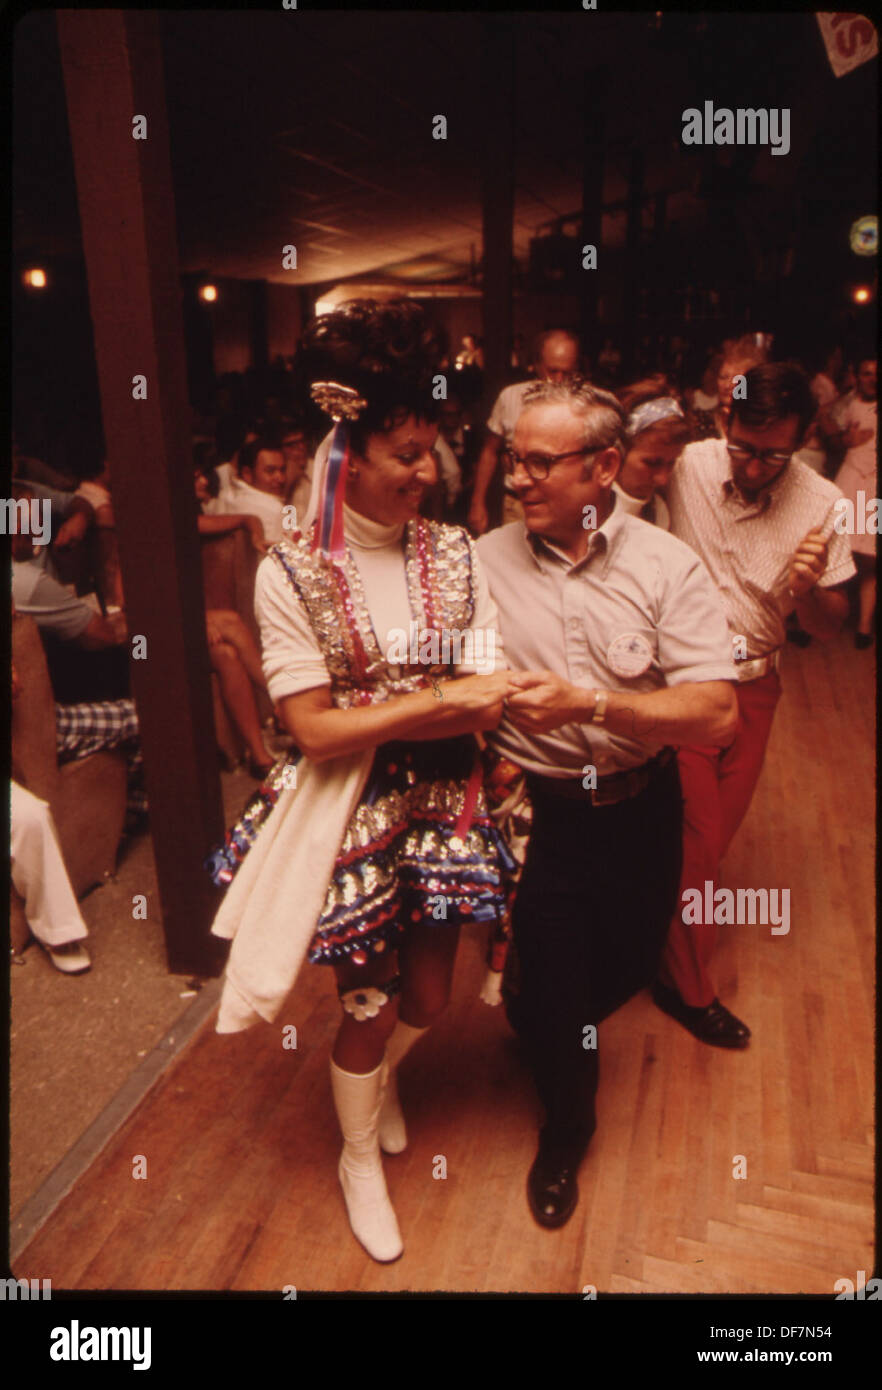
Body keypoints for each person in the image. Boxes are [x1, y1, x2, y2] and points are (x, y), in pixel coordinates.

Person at [206, 299, 516, 1264]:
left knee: (427, 1001)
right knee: (368, 1005)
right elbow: (312, 729)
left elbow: (485, 675)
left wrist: (479, 709)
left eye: (435, 450)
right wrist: (439, 705)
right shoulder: (290, 573)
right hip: (350, 816)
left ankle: (375, 1087)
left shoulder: (455, 552)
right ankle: (355, 1158)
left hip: (440, 806)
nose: (432, 472)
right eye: (410, 454)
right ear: (348, 456)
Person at [477, 378, 738, 1229]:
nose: (519, 479)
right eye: (515, 460)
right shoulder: (480, 563)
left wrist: (591, 707)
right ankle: (566, 1133)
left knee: (622, 969)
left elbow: (715, 710)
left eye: (540, 463)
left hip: (641, 807)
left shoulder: (666, 565)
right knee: (560, 993)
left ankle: (541, 1001)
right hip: (545, 819)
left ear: (605, 468)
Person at [658, 362, 855, 1045]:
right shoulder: (687, 465)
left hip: (759, 688)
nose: (751, 467)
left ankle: (654, 951)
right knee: (697, 846)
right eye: (743, 446)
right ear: (723, 423)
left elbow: (832, 624)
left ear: (803, 440)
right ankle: (691, 990)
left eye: (772, 454)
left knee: (712, 843)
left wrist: (807, 592)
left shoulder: (825, 501)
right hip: (681, 684)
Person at [467, 329, 580, 536]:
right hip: (517, 505)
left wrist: (590, 521)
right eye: (552, 371)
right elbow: (490, 451)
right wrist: (477, 503)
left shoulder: (586, 407)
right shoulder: (510, 397)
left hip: (565, 508)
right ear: (536, 365)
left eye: (568, 373)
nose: (559, 380)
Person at [829, 358, 877, 647]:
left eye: (876, 375)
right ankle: (825, 622)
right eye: (867, 373)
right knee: (837, 549)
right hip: (848, 480)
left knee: (870, 559)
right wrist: (846, 437)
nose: (872, 379)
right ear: (857, 376)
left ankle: (863, 627)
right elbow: (827, 428)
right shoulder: (847, 404)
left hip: (874, 486)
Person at [613, 395, 692, 529]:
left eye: (671, 463)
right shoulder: (587, 509)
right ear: (618, 452)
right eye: (651, 463)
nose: (662, 479)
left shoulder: (659, 513)